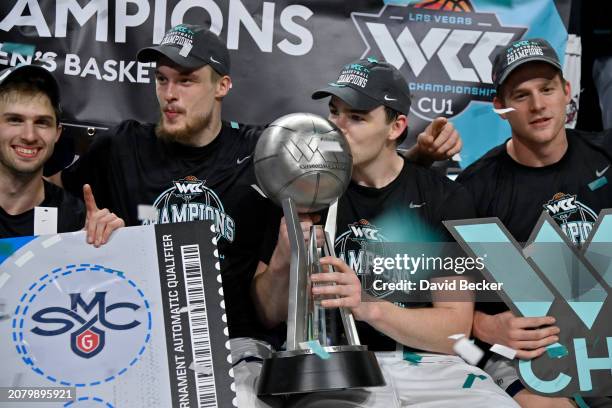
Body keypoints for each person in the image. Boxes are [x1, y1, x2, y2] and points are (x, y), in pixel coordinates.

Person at [253, 58, 519, 407]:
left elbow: (454, 329)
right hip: (331, 363)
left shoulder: (442, 196)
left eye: (357, 117)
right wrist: (283, 261)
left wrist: (366, 305)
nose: (336, 127)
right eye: (335, 112)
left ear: (396, 127)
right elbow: (267, 314)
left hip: (426, 364)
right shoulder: (304, 190)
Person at [457, 38, 612, 407]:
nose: (538, 105)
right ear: (500, 107)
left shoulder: (607, 153)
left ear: (566, 92)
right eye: (521, 95)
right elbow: (443, 300)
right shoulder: (475, 190)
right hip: (532, 358)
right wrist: (486, 325)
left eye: (546, 89)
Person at [0, 62, 124, 244]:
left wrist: (112, 246)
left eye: (42, 122)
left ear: (57, 133)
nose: (29, 136)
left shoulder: (77, 224)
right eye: (15, 120)